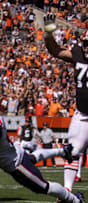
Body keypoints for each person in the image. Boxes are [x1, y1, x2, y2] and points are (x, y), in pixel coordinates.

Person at [0, 88, 84, 203]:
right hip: (4, 156)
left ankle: (76, 200)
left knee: (42, 187)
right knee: (32, 157)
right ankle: (62, 152)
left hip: (16, 164)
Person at [44, 13, 88, 192]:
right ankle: (67, 191)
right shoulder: (78, 53)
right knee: (73, 150)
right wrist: (48, 34)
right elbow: (56, 51)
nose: (86, 47)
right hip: (83, 114)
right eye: (85, 44)